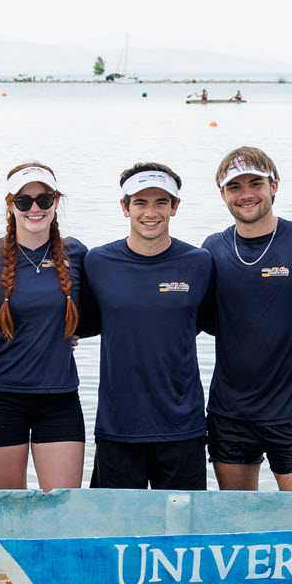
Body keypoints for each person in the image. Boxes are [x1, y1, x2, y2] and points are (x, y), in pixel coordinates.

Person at [200, 147, 292, 492]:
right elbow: (197, 320)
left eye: (256, 183)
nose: (247, 194)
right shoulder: (213, 248)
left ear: (274, 186)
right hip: (229, 417)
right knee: (237, 527)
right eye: (235, 187)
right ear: (222, 194)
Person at [76, 163, 216, 489]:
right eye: (140, 202)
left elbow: (204, 323)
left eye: (161, 202)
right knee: (114, 534)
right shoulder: (97, 262)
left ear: (175, 207)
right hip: (118, 426)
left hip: (183, 427)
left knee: (183, 536)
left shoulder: (199, 262)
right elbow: (84, 322)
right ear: (124, 207)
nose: (150, 212)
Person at [0, 163, 86, 490]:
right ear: (10, 203)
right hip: (0, 397)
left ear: (56, 202)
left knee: (64, 506)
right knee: (8, 510)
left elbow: (91, 315)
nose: (35, 208)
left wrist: (59, 333)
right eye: (24, 200)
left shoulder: (77, 253)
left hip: (59, 397)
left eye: (44, 200)